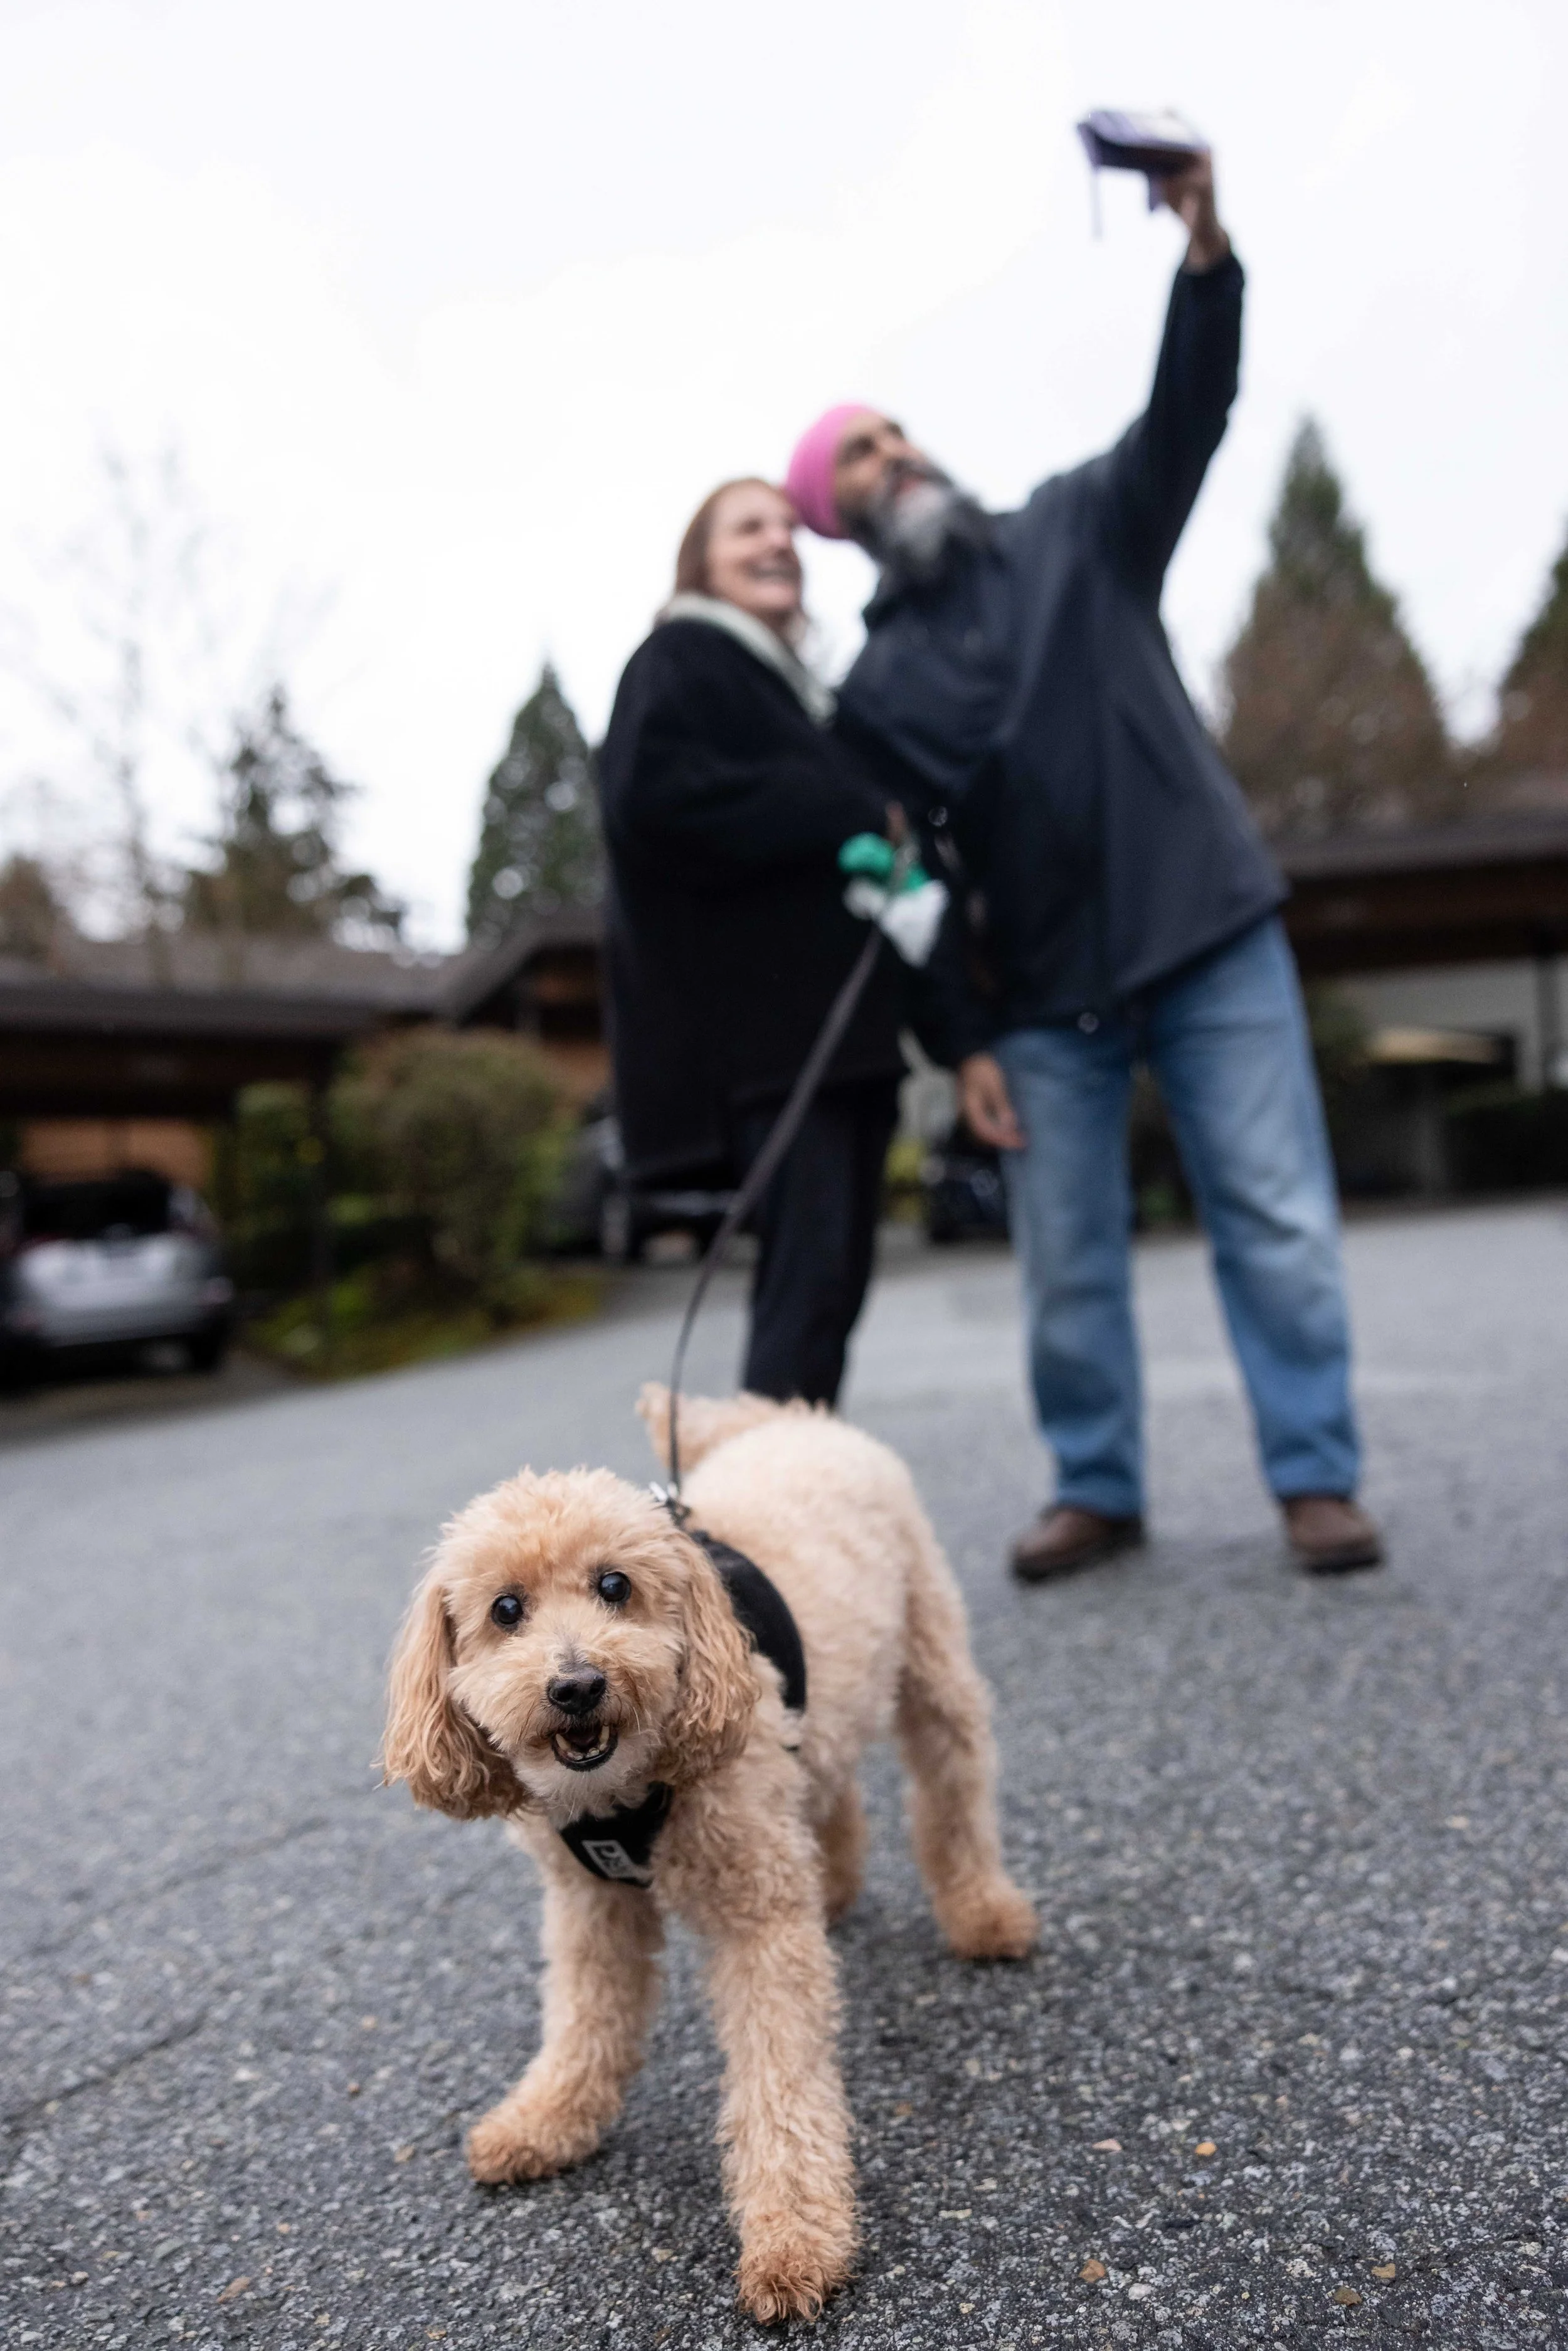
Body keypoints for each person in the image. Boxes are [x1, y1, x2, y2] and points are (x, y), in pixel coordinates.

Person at [785, 150, 1384, 1580]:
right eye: (857, 457)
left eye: (895, 434)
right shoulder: (873, 696)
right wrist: (963, 1039)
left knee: (1275, 1215)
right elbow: (905, 886)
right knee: (1064, 1259)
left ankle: (1314, 1474)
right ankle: (1096, 1485)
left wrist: (1204, 258)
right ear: (833, 515)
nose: (893, 456)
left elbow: (1186, 416)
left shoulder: (1077, 528)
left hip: (1205, 927)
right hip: (1044, 993)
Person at [597, 477, 920, 1408]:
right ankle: (761, 1498)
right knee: (804, 1300)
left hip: (838, 1047)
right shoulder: (680, 657)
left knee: (827, 1297)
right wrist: (851, 809)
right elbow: (654, 804)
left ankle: (793, 1481)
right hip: (770, 1053)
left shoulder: (795, 691)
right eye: (749, 527)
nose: (779, 540)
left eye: (787, 527)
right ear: (701, 561)